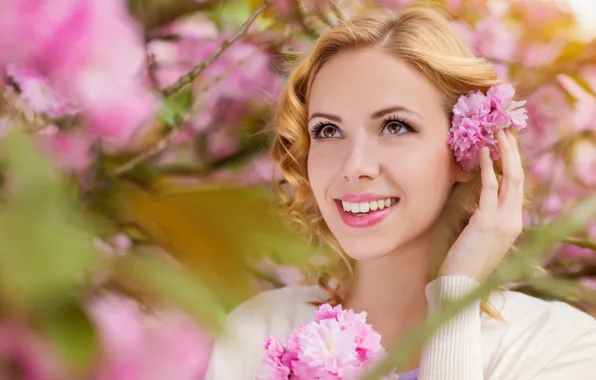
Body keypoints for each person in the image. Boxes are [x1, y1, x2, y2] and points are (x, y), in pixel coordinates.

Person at [205, 6, 596, 380]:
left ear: (466, 151)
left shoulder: (560, 344)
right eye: (327, 130)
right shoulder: (258, 332)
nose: (354, 165)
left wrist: (456, 297)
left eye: (395, 126)